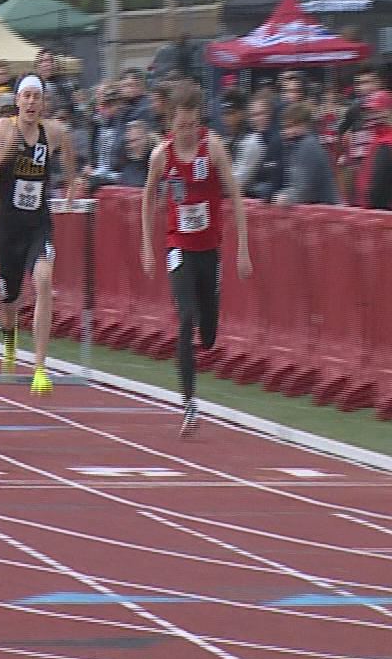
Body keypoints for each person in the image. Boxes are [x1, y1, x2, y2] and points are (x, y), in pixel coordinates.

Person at [140, 80, 252, 436]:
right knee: (185, 318)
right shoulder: (161, 155)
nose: (187, 132)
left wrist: (243, 251)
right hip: (178, 248)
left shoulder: (213, 148)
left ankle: (206, 330)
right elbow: (146, 200)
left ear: (199, 120)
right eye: (180, 126)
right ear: (170, 122)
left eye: (192, 124)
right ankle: (189, 403)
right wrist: (147, 245)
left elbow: (236, 198)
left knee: (208, 335)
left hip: (210, 250)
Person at [0, 74, 82, 396]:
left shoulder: (53, 131)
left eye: (37, 97)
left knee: (45, 282)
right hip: (8, 227)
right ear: (18, 101)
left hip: (38, 224)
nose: (32, 102)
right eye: (27, 96)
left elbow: (68, 144)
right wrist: (6, 150)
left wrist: (72, 182)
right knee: (9, 302)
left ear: (43, 102)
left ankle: (39, 366)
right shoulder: (4, 129)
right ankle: (10, 338)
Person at [274, 102, 340, 206]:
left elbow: (304, 190)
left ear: (304, 125)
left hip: (324, 212)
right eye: (284, 127)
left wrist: (285, 197)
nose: (286, 131)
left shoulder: (307, 145)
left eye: (291, 126)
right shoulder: (296, 145)